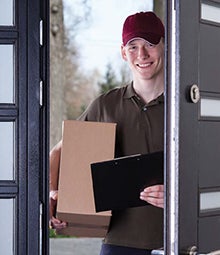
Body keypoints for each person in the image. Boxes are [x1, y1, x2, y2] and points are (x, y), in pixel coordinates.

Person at [50, 11, 165, 255]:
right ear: (123, 52)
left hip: (177, 238)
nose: (142, 54)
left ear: (165, 46)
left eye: (150, 44)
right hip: (119, 241)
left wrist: (180, 192)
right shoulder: (105, 105)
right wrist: (56, 199)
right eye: (133, 46)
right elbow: (60, 151)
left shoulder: (185, 106)